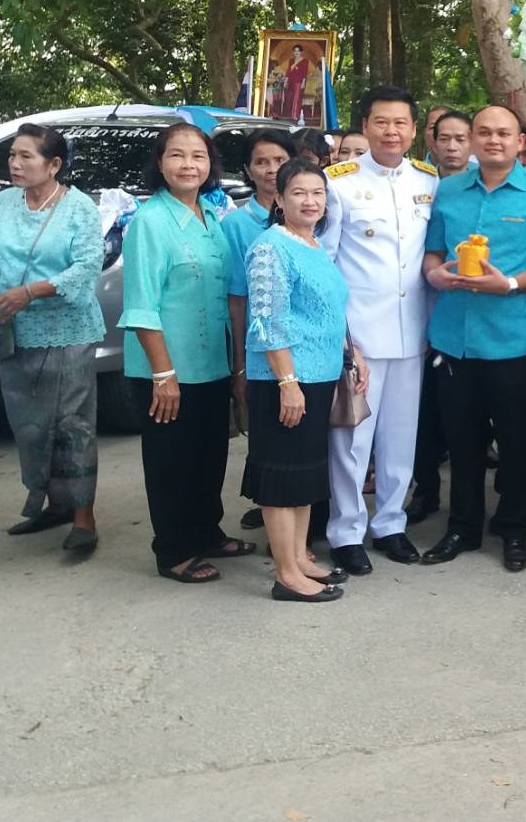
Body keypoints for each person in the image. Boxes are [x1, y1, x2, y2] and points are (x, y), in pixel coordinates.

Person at [420, 105, 526, 572]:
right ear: (471, 139)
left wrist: (509, 284)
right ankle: (462, 526)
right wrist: (436, 276)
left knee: (516, 442)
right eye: (483, 133)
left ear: (520, 140)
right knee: (462, 442)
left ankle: (513, 528)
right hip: (455, 339)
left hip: (513, 339)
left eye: (503, 133)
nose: (493, 141)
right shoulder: (446, 191)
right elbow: (433, 256)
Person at [119, 123, 251, 582]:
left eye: (198, 156)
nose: (188, 164)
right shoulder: (150, 222)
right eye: (177, 155)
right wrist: (163, 373)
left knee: (208, 456)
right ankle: (173, 550)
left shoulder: (211, 218)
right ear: (160, 164)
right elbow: (140, 307)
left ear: (211, 164)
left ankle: (207, 532)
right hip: (166, 370)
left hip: (210, 363)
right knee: (171, 463)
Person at [320, 85, 438, 575]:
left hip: (413, 333)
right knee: (352, 439)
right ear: (364, 126)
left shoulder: (429, 182)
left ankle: (391, 523)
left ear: (414, 130)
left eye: (401, 123)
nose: (392, 132)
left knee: (400, 437)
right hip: (360, 338)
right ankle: (346, 531)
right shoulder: (338, 182)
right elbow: (325, 263)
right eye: (381, 122)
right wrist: (343, 338)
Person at [242, 159, 368, 602]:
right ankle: (286, 574)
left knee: (302, 474)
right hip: (284, 380)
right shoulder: (270, 248)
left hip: (319, 376)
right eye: (299, 192)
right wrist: (287, 382)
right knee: (280, 475)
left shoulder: (312, 244)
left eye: (318, 193)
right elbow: (267, 321)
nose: (310, 201)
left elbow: (330, 311)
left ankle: (298, 558)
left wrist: (352, 352)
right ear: (278, 199)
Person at [0, 125, 105, 551]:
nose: (15, 164)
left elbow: (88, 266)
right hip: (12, 330)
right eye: (12, 156)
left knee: (72, 423)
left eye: (26, 157)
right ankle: (52, 504)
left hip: (68, 329)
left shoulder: (78, 209)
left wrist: (31, 292)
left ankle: (83, 517)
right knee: (30, 425)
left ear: (54, 165)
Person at [225, 128, 296, 533]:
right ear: (248, 171)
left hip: (309, 345)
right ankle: (274, 513)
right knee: (268, 435)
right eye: (261, 163)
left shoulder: (313, 209)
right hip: (262, 349)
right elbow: (238, 298)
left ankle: (306, 515)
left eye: (279, 161)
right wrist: (239, 366)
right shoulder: (238, 225)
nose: (271, 170)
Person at [406, 107, 473, 526]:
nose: (451, 146)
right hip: (417, 314)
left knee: (470, 424)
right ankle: (424, 490)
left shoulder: (483, 185)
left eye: (460, 138)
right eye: (442, 137)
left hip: (467, 319)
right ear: (429, 140)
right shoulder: (416, 181)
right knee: (422, 416)